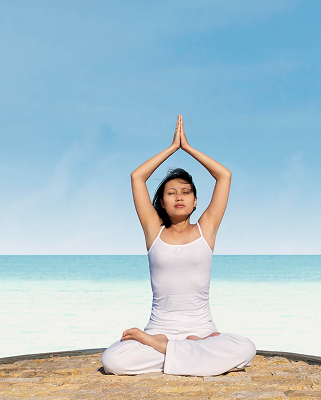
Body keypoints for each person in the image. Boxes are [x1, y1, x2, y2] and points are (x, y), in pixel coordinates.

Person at [101, 115, 256, 376]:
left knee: (245, 348)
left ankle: (166, 349)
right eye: (171, 193)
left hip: (203, 332)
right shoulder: (154, 231)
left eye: (186, 192)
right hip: (158, 330)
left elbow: (224, 175)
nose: (179, 197)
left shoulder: (206, 229)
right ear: (162, 202)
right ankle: (177, 350)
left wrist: (189, 148)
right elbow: (137, 176)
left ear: (196, 201)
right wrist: (172, 148)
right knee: (113, 360)